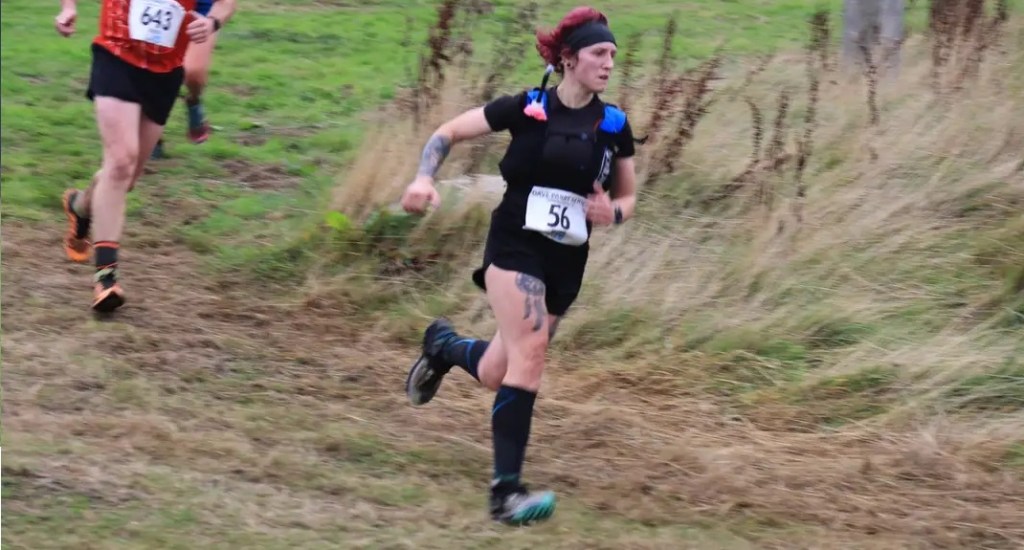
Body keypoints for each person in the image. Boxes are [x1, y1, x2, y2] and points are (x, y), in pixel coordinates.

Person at [400, 6, 639, 526]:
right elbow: (448, 132)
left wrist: (612, 213)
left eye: (613, 55)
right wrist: (423, 178)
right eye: (599, 53)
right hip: (515, 245)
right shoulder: (527, 107)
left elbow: (627, 198)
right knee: (531, 353)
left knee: (497, 372)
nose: (609, 63)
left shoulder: (614, 125)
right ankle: (506, 494)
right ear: (569, 58)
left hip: (567, 261)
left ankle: (443, 346)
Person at [55, 0, 235, 311]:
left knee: (125, 178)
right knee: (121, 162)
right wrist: (68, 8)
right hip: (115, 56)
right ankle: (106, 278)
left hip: (165, 74)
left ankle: (80, 206)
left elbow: (225, 3)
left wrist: (211, 22)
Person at [151, 0, 221, 158]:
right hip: (158, 7)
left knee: (193, 74)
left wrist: (212, 21)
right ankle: (152, 136)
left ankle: (193, 101)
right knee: (151, 71)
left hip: (200, 8)